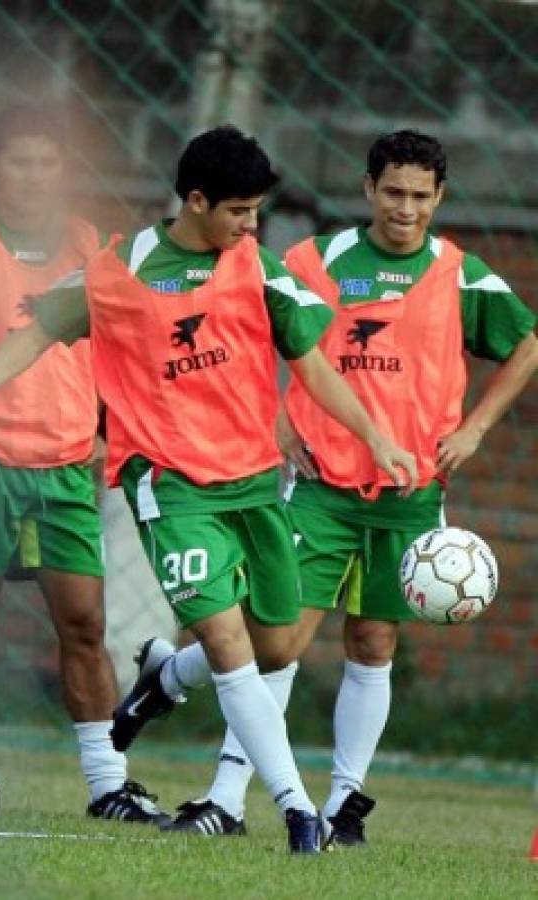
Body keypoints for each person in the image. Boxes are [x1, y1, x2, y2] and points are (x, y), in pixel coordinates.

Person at [0, 125, 417, 853]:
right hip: (170, 486)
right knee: (227, 642)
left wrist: (376, 436)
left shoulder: (254, 268)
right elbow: (37, 332)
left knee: (278, 645)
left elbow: (314, 364)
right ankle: (296, 812)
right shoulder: (117, 270)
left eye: (256, 211)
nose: (250, 225)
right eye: (237, 211)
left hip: (255, 483)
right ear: (194, 201)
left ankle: (164, 680)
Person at [130, 128, 538, 844]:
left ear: (439, 196)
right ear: (366, 189)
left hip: (410, 491)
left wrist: (472, 430)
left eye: (419, 195)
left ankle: (340, 803)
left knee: (374, 641)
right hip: (320, 485)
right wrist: (277, 425)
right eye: (391, 192)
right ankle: (225, 797)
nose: (404, 208)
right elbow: (245, 338)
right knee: (278, 640)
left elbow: (527, 343)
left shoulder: (461, 276)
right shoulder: (312, 261)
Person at [0, 103, 169, 825]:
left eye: (49, 162)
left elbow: (128, 348)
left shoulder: (92, 248)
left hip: (66, 466)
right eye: (18, 161)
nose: (33, 175)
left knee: (83, 622)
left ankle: (107, 783)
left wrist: (112, 426)